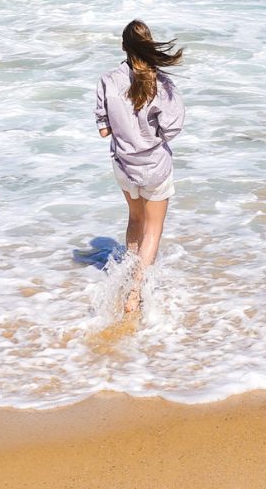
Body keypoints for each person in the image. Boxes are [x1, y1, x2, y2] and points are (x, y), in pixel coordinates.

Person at [94, 19, 185, 314]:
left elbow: (104, 130)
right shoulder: (161, 84)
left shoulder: (108, 80)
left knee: (135, 220)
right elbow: (171, 130)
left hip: (123, 165)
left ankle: (125, 278)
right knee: (153, 230)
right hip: (154, 166)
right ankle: (135, 293)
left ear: (123, 46)